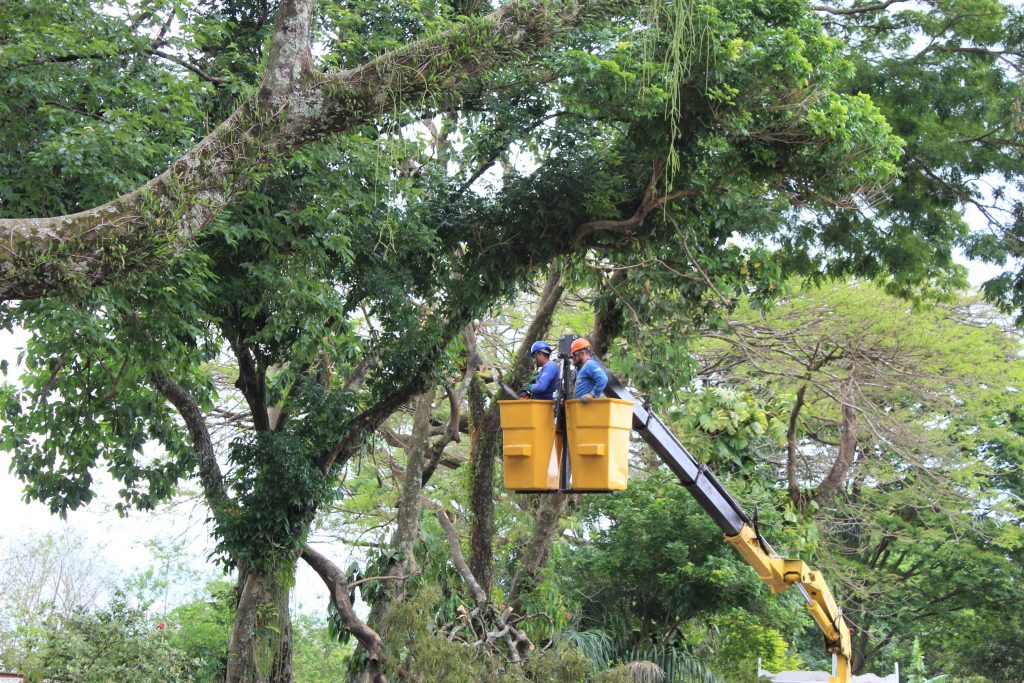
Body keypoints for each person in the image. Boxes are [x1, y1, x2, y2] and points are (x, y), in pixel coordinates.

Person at [570, 337, 607, 403]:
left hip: (588, 407)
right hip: (580, 407)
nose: (574, 358)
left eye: (575, 355)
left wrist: (591, 394)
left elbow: (603, 379)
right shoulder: (581, 368)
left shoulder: (590, 364)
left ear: (582, 353)